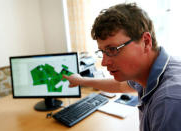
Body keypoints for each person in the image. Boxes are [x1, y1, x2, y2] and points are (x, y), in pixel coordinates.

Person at [63, 3, 181, 131]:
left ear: (146, 42)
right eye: (102, 51)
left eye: (112, 49)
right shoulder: (150, 72)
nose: (104, 62)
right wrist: (81, 80)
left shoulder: (169, 102)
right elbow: (119, 85)